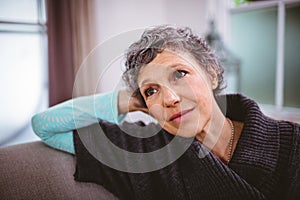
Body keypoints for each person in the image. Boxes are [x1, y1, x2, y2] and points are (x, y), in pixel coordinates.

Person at [31, 25, 300, 200]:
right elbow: (45, 125)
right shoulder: (144, 152)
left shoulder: (292, 143)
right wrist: (129, 100)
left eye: (179, 74)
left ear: (212, 73)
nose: (169, 98)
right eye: (152, 90)